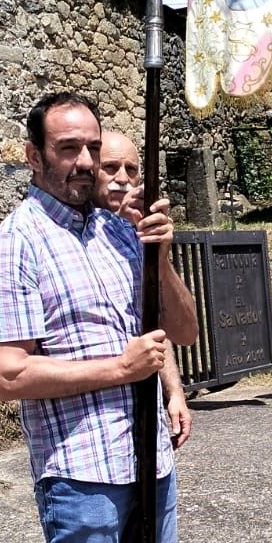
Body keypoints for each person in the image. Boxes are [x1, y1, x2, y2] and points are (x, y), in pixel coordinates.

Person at [0, 92, 198, 543]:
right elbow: (9, 375)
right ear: (34, 156)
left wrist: (162, 257)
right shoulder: (15, 245)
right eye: (68, 148)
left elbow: (185, 332)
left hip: (151, 461)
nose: (85, 161)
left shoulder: (117, 231)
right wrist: (120, 369)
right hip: (82, 477)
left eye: (93, 148)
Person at [96, 129, 191, 450]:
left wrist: (175, 392)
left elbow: (176, 330)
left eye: (131, 170)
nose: (122, 178)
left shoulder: (140, 237)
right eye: (110, 167)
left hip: (147, 427)